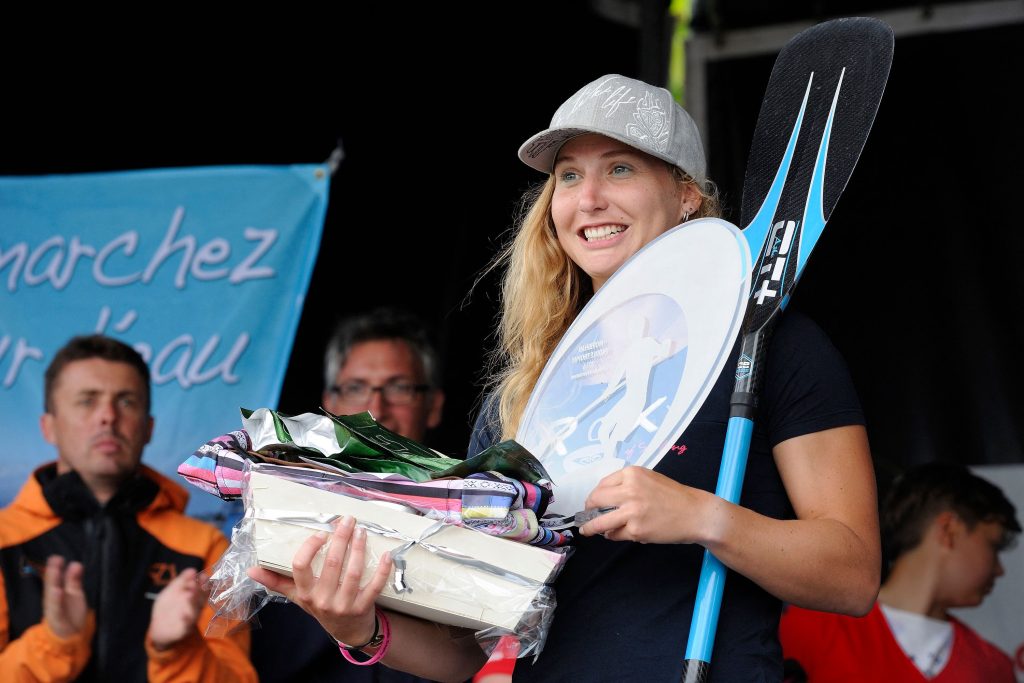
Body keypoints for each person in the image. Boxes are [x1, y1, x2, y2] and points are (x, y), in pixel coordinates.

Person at [248, 73, 881, 682]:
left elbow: (853, 576)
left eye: (621, 168)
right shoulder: (522, 399)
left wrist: (704, 517)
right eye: (570, 175)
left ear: (686, 193)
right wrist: (360, 628)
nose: (590, 198)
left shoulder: (766, 346)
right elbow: (468, 647)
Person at [0, 334, 256, 682]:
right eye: (87, 401)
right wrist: (55, 643)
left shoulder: (204, 548)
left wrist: (176, 650)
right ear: (49, 427)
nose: (107, 416)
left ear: (148, 428)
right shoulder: (4, 538)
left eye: (126, 401)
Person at [251, 307, 444, 683]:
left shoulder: (478, 508)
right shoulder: (281, 504)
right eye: (356, 388)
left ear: (433, 405)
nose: (376, 410)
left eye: (399, 387)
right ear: (330, 404)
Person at [780, 462, 1019, 681]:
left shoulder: (995, 667)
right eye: (993, 546)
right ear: (949, 531)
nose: (999, 570)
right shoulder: (809, 628)